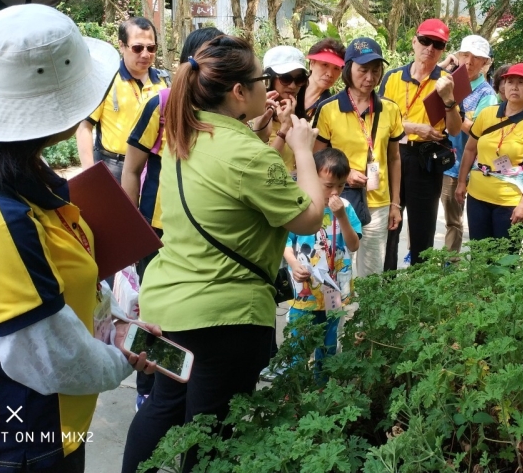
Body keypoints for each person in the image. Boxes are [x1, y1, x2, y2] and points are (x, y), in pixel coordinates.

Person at [0, 5, 156, 473]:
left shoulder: (10, 173)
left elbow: (51, 283)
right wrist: (124, 358)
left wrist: (113, 320)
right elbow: (50, 357)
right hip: (18, 443)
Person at [121, 35, 325, 473]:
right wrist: (303, 149)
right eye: (262, 79)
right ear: (238, 92)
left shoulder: (185, 135)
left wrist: (259, 135)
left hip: (166, 309)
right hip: (223, 322)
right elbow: (308, 218)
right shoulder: (246, 154)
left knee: (163, 409)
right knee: (211, 430)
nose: (268, 87)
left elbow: (230, 177)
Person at [121, 26, 224, 412]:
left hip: (200, 232)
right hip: (157, 229)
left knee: (189, 313)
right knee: (153, 316)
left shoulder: (224, 110)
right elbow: (131, 169)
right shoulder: (160, 104)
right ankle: (147, 389)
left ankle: (183, 388)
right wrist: (132, 228)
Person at [313, 37, 404, 277]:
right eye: (363, 70)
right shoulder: (329, 109)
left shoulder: (390, 109)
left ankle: (367, 315)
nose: (370, 77)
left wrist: (395, 204)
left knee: (372, 273)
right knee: (335, 267)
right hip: (339, 201)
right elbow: (316, 156)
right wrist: (346, 174)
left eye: (376, 71)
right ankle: (337, 315)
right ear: (348, 68)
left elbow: (394, 159)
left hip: (378, 203)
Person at [380, 19, 462, 268]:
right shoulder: (393, 77)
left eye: (437, 44)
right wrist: (413, 127)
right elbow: (379, 120)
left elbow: (455, 128)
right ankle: (386, 284)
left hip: (426, 160)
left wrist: (448, 99)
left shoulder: (447, 80)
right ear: (414, 42)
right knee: (389, 224)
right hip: (394, 154)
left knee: (423, 228)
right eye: (425, 41)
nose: (430, 48)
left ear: (443, 49)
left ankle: (419, 291)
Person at [284, 148, 361, 374]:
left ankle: (323, 387)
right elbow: (284, 242)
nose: (335, 192)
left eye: (341, 185)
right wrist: (294, 264)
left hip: (333, 288)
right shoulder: (301, 205)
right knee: (299, 340)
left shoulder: (345, 209)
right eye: (328, 186)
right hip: (304, 288)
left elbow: (354, 244)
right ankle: (296, 389)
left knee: (328, 340)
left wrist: (341, 217)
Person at [454, 64, 523, 239]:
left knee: (505, 259)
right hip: (477, 195)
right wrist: (461, 182)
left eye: (521, 82)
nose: (515, 87)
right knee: (479, 255)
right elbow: (470, 149)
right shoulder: (487, 114)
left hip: (510, 201)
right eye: (510, 82)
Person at [75, 16, 169, 183]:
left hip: (152, 167)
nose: (146, 54)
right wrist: (89, 173)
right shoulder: (106, 81)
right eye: (138, 48)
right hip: (114, 166)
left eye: (151, 48)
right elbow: (84, 126)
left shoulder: (164, 83)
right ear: (121, 46)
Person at [438, 35, 498, 252]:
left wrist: (450, 104)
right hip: (434, 160)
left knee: (454, 221)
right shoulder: (447, 79)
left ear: (486, 63)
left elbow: (480, 132)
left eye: (477, 58)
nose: (469, 62)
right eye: (465, 55)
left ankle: (450, 266)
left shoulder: (486, 94)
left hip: (460, 167)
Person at [247, 45, 310, 177]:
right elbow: (262, 165)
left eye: (299, 79)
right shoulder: (252, 117)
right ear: (268, 79)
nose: (292, 86)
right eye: (285, 78)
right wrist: (284, 129)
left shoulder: (302, 120)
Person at [299, 38, 346, 119]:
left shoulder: (331, 108)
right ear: (312, 63)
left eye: (336, 68)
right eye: (325, 65)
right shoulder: (290, 87)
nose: (330, 74)